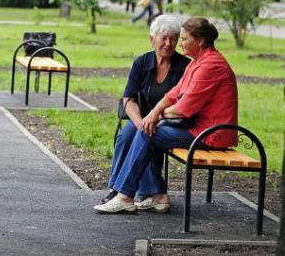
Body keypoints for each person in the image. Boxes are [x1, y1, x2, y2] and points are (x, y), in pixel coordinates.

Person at [95, 17, 238, 214]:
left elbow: (183, 108)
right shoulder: (198, 62)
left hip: (211, 135)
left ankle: (125, 196)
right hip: (198, 130)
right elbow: (173, 93)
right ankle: (152, 195)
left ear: (201, 41)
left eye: (184, 39)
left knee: (146, 133)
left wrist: (155, 116)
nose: (179, 43)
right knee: (144, 130)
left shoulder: (211, 66)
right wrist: (154, 113)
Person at [101, 15, 190, 207]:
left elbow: (182, 105)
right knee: (127, 135)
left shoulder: (185, 67)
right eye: (164, 38)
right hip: (141, 118)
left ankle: (148, 192)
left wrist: (153, 120)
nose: (169, 43)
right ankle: (116, 189)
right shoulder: (141, 63)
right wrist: (140, 122)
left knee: (146, 135)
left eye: (174, 38)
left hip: (169, 121)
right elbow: (129, 99)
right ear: (152, 39)